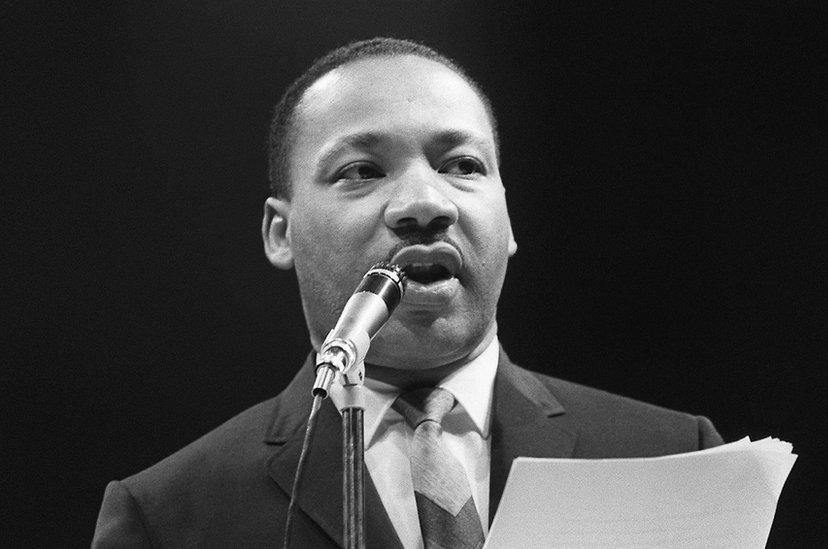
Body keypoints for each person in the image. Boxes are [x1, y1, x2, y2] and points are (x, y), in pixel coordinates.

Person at [92, 37, 723, 548]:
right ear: (280, 232)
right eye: (361, 171)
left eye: (462, 166)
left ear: (509, 220)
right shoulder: (170, 518)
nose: (427, 204)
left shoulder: (675, 460)